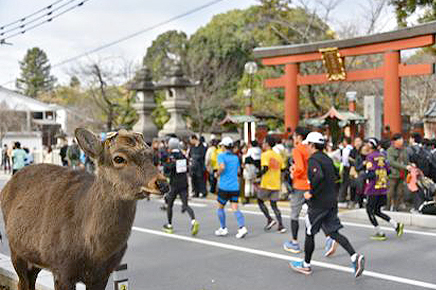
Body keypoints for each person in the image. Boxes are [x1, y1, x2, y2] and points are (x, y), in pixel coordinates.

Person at [290, 132, 365, 277]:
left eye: (307, 145)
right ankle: (355, 256)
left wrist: (311, 192)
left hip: (318, 203)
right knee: (333, 232)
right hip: (331, 201)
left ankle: (306, 265)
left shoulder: (314, 159)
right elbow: (336, 176)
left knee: (309, 233)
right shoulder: (327, 159)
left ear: (312, 145)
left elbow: (318, 176)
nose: (306, 147)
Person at [363, 138, 404, 240]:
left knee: (369, 210)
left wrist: (362, 176)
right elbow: (389, 171)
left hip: (372, 188)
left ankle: (379, 232)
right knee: (377, 210)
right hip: (382, 187)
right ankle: (396, 225)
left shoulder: (370, 157)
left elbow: (371, 173)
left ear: (371, 145)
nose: (366, 145)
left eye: (367, 143)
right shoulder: (382, 156)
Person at [162, 138, 199, 235]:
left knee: (170, 205)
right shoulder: (183, 156)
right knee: (185, 205)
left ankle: (169, 225)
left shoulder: (170, 157)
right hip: (184, 183)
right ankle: (193, 221)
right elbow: (187, 168)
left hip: (174, 184)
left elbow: (167, 169)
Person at [283, 127, 311, 253]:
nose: (294, 138)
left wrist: (293, 173)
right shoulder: (311, 148)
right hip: (312, 185)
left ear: (299, 137)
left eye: (294, 136)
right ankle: (329, 238)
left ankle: (294, 242)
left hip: (299, 185)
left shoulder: (298, 149)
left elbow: (299, 168)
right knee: (314, 213)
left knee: (294, 214)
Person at [214, 137, 247, 239]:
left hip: (224, 186)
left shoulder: (221, 156)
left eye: (221, 146)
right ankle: (242, 227)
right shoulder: (235, 158)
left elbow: (222, 167)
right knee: (235, 208)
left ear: (224, 146)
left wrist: (217, 174)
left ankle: (223, 228)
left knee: (220, 208)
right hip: (234, 186)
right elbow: (237, 171)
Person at [257, 135, 286, 233]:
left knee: (260, 201)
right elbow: (283, 170)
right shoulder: (278, 156)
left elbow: (265, 168)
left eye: (264, 142)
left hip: (266, 183)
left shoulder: (265, 155)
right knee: (274, 205)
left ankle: (269, 219)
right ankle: (281, 225)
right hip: (276, 183)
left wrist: (257, 175)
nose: (263, 144)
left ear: (267, 144)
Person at [386, 134, 409, 211]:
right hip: (393, 174)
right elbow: (391, 162)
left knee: (400, 192)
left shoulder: (404, 150)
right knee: (390, 192)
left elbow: (406, 161)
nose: (402, 141)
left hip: (402, 174)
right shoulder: (390, 150)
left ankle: (396, 207)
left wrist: (409, 165)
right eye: (400, 139)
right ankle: (387, 207)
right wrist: (404, 167)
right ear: (395, 141)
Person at [338, 137, 353, 207]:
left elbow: (344, 160)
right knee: (348, 184)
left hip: (346, 167)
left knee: (344, 184)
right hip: (351, 167)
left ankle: (342, 199)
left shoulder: (345, 150)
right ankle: (347, 198)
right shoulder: (352, 149)